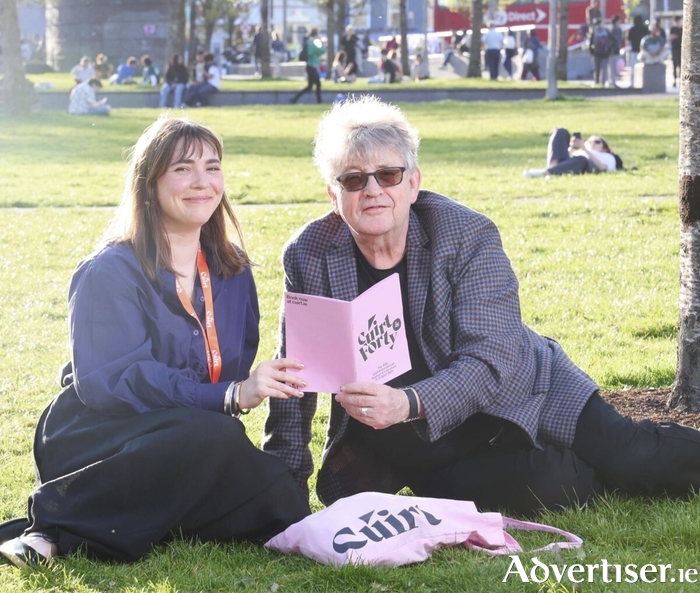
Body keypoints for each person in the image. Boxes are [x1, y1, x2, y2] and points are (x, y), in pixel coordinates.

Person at [262, 97, 700, 517]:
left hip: (525, 389)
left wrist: (407, 401)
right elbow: (294, 377)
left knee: (631, 456)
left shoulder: (467, 234)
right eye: (354, 179)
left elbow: (493, 361)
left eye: (389, 175)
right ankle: (560, 469)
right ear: (333, 196)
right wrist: (285, 494)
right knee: (553, 486)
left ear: (413, 184)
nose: (373, 190)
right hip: (419, 444)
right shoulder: (309, 253)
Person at [0, 116, 310, 570]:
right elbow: (114, 382)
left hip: (196, 432)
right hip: (99, 431)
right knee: (211, 440)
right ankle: (50, 526)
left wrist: (242, 389)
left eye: (212, 166)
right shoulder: (108, 271)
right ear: (150, 184)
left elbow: (234, 362)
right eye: (182, 168)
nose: (202, 182)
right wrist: (226, 397)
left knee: (282, 503)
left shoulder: (233, 270)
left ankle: (145, 516)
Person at [523, 128, 619, 177]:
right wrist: (571, 148)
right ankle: (551, 169)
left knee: (582, 159)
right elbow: (564, 159)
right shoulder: (580, 151)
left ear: (605, 148)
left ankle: (546, 172)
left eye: (597, 142)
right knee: (560, 131)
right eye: (589, 142)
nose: (593, 143)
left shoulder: (608, 157)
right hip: (569, 162)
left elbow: (603, 169)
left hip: (586, 165)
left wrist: (585, 149)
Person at [290, 28, 325, 104]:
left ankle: (295, 99)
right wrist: (321, 42)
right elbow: (322, 50)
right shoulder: (313, 43)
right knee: (315, 85)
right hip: (311, 67)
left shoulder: (310, 42)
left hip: (311, 66)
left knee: (312, 86)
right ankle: (319, 101)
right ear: (316, 35)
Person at [627, 15, 649, 88]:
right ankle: (643, 83)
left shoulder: (632, 29)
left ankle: (632, 83)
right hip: (643, 51)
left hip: (634, 50)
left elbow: (629, 38)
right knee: (643, 68)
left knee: (633, 68)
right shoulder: (645, 29)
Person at [589, 19, 611, 86]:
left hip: (596, 53)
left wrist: (591, 52)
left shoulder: (594, 32)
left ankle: (597, 82)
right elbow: (611, 41)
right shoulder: (606, 32)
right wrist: (609, 51)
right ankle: (603, 82)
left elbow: (591, 43)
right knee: (604, 68)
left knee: (597, 68)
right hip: (605, 53)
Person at [607, 15, 624, 87]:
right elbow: (619, 40)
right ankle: (613, 82)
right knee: (613, 67)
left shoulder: (610, 29)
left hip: (609, 50)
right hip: (615, 50)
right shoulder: (617, 29)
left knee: (610, 67)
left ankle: (611, 81)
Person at [669, 15, 682, 87]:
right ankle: (675, 80)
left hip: (681, 49)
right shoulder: (673, 29)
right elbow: (670, 37)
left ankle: (681, 80)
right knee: (675, 65)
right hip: (674, 49)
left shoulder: (683, 29)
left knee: (681, 65)